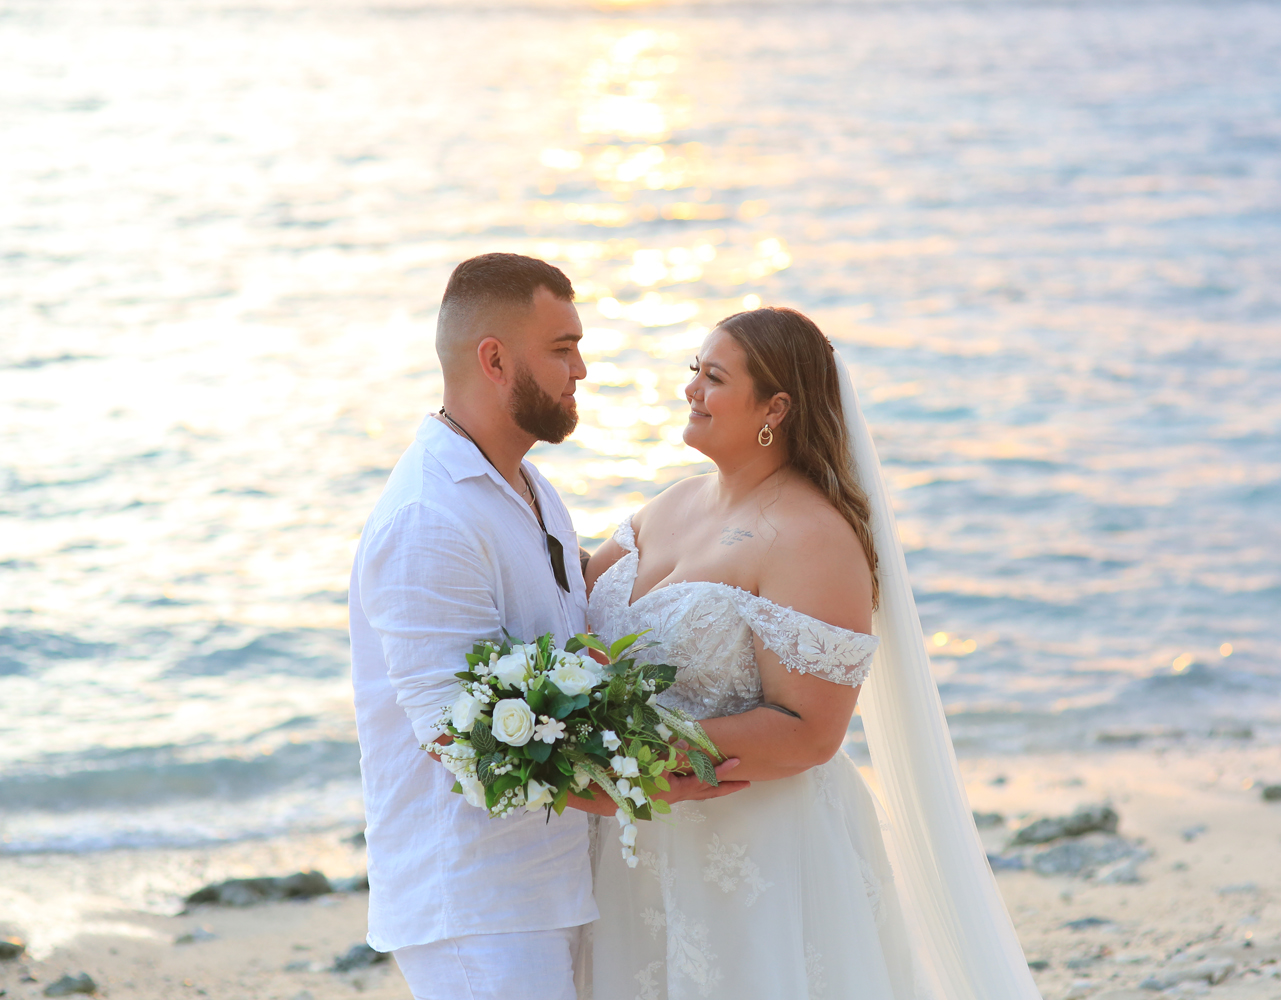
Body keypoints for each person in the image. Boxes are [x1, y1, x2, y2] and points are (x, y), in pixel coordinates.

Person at [582, 307, 1042, 1000]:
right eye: (694, 373)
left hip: (751, 854)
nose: (691, 392)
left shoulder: (812, 537)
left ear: (776, 407)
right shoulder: (670, 503)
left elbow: (810, 732)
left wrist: (630, 754)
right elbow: (575, 617)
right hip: (633, 843)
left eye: (713, 377)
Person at [349, 253, 744, 1000]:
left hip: (550, 883)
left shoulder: (529, 486)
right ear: (494, 359)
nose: (583, 370)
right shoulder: (429, 518)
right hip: (475, 901)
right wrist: (643, 786)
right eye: (562, 348)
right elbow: (457, 744)